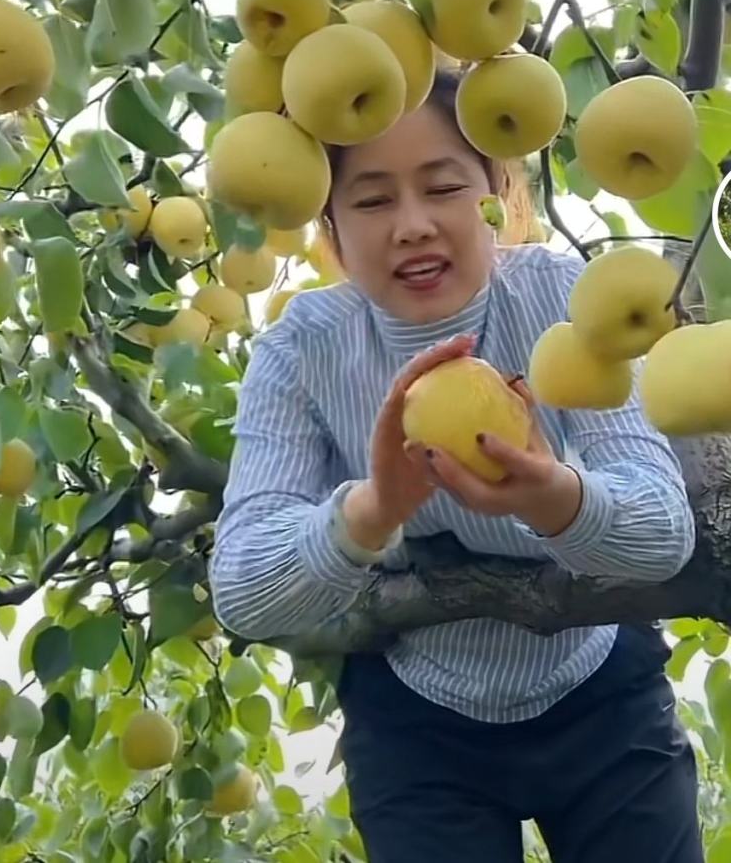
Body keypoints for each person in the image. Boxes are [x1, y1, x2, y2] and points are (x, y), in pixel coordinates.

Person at [210, 65, 702, 862]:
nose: (412, 226)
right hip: (417, 722)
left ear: (494, 191)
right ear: (328, 221)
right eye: (371, 200)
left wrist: (554, 499)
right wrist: (371, 510)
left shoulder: (561, 298)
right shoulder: (304, 348)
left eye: (442, 188)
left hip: (600, 693)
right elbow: (242, 591)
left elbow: (663, 534)